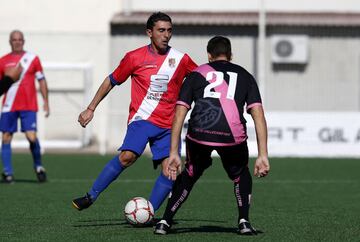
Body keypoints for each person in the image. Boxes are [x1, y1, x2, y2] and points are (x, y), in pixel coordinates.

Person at [72, 12, 197, 213]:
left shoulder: (181, 59)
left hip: (169, 125)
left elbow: (200, 79)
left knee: (170, 170)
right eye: (161, 30)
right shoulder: (134, 57)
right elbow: (111, 81)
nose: (166, 35)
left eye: (169, 31)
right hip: (142, 119)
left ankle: (149, 213)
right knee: (127, 156)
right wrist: (90, 108)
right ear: (149, 32)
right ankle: (91, 196)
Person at [154, 36, 270, 235]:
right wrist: (263, 155)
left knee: (190, 173)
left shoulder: (195, 74)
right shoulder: (245, 75)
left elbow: (179, 113)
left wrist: (173, 152)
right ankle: (243, 221)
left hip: (200, 133)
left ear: (209, 55)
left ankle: (165, 221)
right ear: (230, 55)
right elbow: (258, 115)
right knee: (240, 173)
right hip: (232, 136)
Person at [0, 30, 50, 183]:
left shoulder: (33, 59)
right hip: (9, 105)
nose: (17, 42)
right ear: (10, 41)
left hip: (29, 104)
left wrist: (46, 101)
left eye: (20, 39)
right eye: (14, 39)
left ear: (24, 41)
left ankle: (38, 166)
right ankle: (8, 172)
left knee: (31, 136)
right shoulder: (2, 61)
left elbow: (41, 80)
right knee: (6, 137)